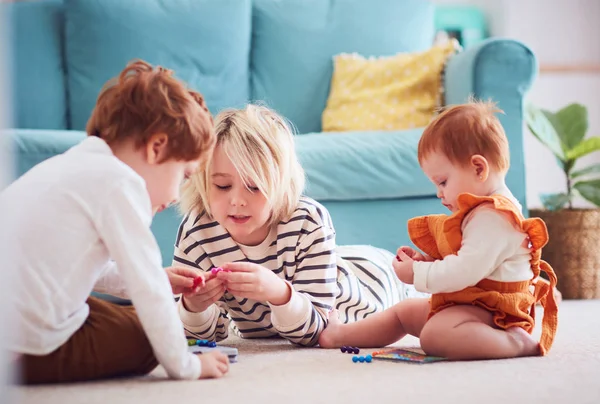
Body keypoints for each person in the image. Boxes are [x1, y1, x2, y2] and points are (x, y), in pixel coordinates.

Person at [1, 60, 229, 384]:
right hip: (22, 344)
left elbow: (76, 266)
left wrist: (159, 279)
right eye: (184, 175)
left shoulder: (76, 164)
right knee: (148, 336)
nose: (178, 195)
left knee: (142, 314)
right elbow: (147, 290)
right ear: (156, 147)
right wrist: (188, 366)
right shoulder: (121, 184)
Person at [318, 100, 559, 360]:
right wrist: (430, 262)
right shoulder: (480, 213)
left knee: (435, 335)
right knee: (405, 312)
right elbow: (470, 264)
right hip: (474, 301)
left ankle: (514, 341)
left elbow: (463, 271)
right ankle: (339, 335)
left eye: (443, 181)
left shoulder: (495, 217)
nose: (439, 193)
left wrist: (417, 273)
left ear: (479, 168)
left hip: (495, 312)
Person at [173, 104, 410, 346]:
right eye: (222, 186)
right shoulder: (197, 231)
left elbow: (317, 331)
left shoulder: (307, 220)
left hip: (371, 284)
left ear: (280, 185)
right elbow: (192, 335)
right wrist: (193, 307)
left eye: (254, 187)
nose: (237, 201)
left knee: (423, 296)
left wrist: (279, 293)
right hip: (324, 267)